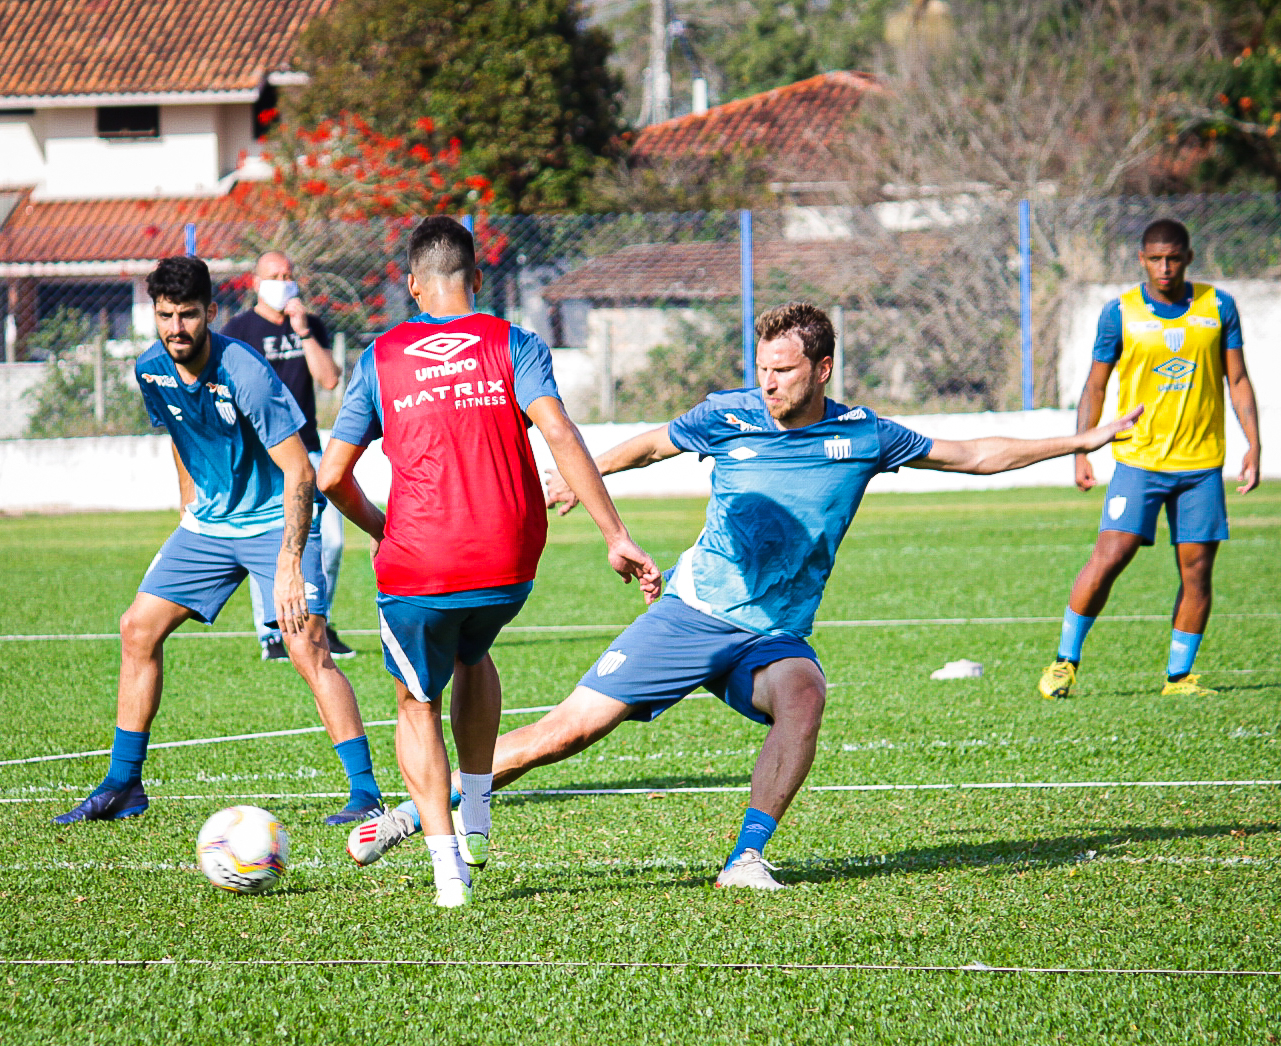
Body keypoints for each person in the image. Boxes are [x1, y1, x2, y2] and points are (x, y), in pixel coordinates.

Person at [346, 300, 1142, 890]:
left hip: (770, 637)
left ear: (822, 369)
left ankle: (746, 856)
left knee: (804, 694)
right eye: (760, 368)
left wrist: (1079, 440)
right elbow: (655, 441)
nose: (766, 383)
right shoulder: (727, 415)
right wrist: (582, 480)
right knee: (563, 736)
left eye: (784, 370)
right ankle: (420, 811)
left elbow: (973, 453)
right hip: (691, 615)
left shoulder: (864, 435)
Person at [318, 216, 659, 908]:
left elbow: (329, 478)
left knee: (416, 700)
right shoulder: (514, 342)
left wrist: (382, 528)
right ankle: (475, 812)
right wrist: (613, 533)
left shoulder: (380, 358)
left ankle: (448, 868)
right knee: (473, 650)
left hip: (420, 564)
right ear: (476, 280)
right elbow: (558, 430)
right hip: (508, 561)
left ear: (412, 287)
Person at [54, 256, 384, 828]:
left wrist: (288, 560)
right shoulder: (150, 369)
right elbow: (182, 437)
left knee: (306, 645)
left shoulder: (247, 373)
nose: (175, 327)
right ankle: (123, 784)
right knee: (137, 628)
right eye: (164, 315)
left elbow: (300, 472)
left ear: (209, 312)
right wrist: (188, 510)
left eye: (186, 315)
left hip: (272, 522)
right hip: (207, 528)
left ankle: (365, 791)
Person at [1037, 219, 1261, 701]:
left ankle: (1179, 677)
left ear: (1189, 257)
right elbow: (1095, 385)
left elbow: (1237, 379)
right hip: (1139, 460)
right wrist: (1081, 448)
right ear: (1142, 259)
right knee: (1111, 556)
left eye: (1174, 257)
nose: (1165, 267)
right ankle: (1064, 661)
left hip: (1201, 464)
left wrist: (1254, 443)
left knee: (1197, 571)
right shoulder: (1120, 313)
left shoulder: (1218, 307)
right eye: (1155, 258)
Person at [221, 251, 354, 662]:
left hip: (309, 450)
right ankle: (272, 634)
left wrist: (303, 331)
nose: (284, 281)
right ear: (255, 283)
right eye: (275, 276)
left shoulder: (309, 324)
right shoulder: (238, 330)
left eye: (289, 275)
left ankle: (321, 622)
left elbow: (329, 379)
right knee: (271, 543)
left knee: (329, 542)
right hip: (263, 455)